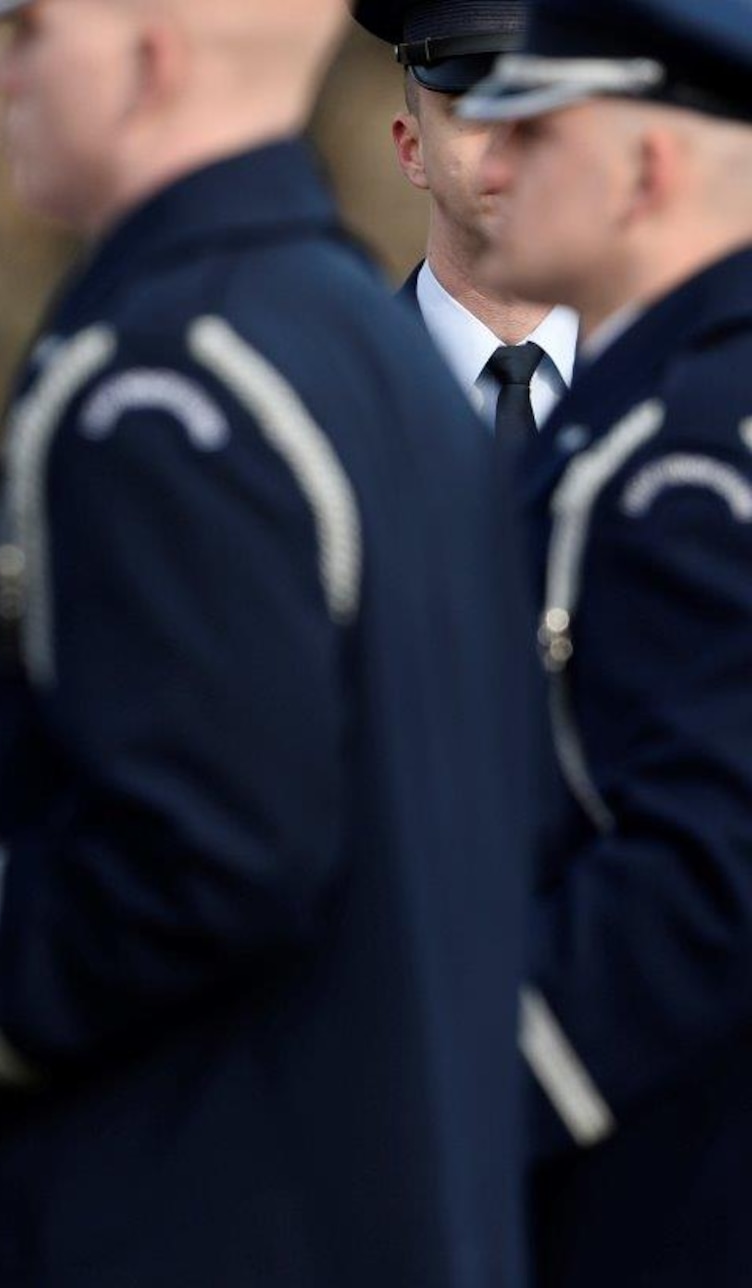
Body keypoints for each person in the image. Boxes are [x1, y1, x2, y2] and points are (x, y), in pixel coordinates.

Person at [0, 1, 532, 1283]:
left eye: (28, 32)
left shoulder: (163, 378)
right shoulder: (350, 338)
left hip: (191, 1208)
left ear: (148, 56)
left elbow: (207, 849)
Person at [461, 2, 752, 1282]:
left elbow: (706, 869)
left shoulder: (661, 462)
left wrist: (453, 1107)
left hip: (660, 1191)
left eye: (534, 125)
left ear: (647, 166)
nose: (489, 154)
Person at [354, 0, 577, 442]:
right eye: (476, 106)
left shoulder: (680, 376)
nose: (510, 148)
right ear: (412, 150)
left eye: (545, 103)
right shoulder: (337, 386)